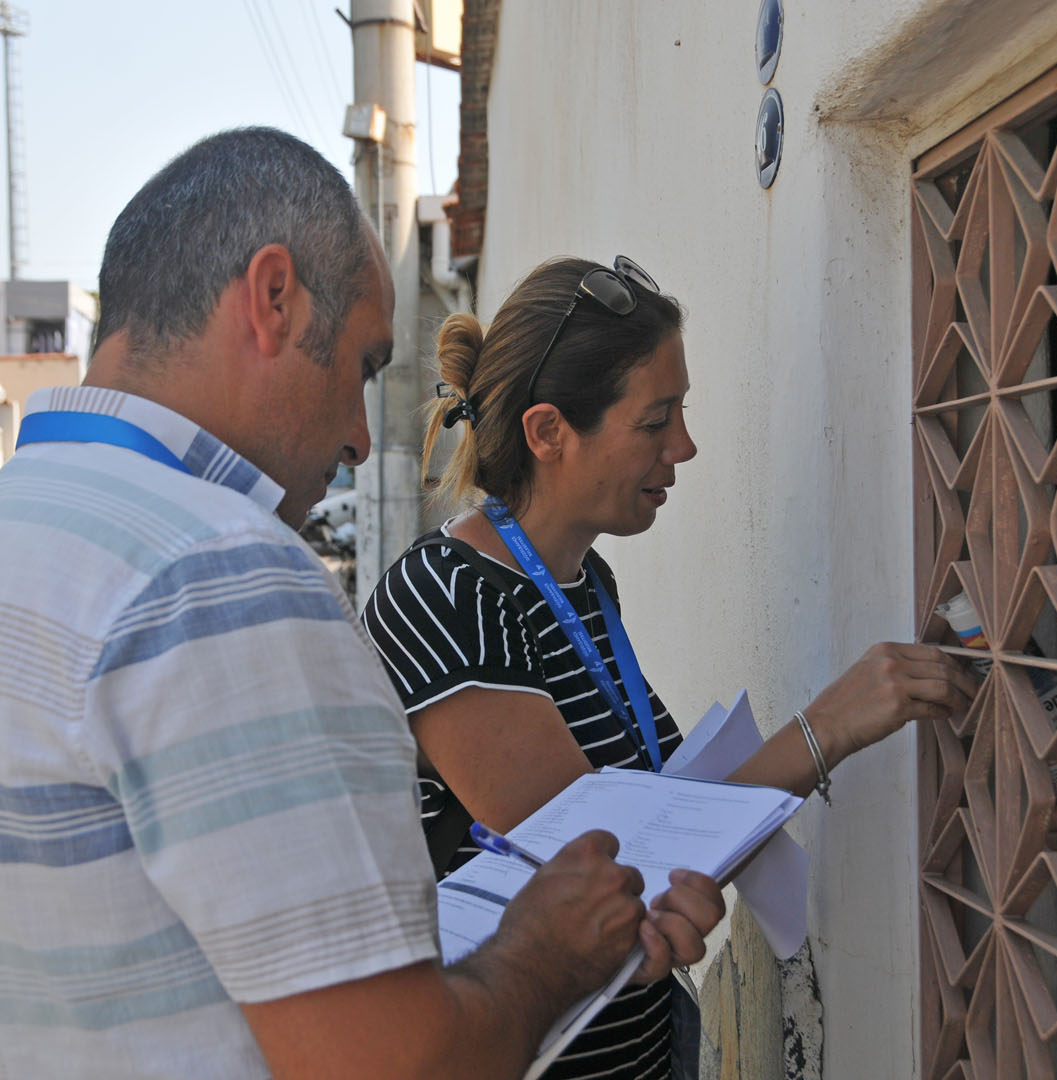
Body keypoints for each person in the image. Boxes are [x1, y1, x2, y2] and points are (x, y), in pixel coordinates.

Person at [0, 130, 726, 1080]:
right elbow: (391, 1066)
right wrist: (546, 949)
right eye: (364, 367)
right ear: (273, 298)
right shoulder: (218, 571)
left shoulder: (9, 535)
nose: (363, 440)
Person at [361, 255, 978, 1079]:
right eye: (656, 421)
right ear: (548, 432)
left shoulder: (584, 582)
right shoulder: (446, 597)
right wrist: (825, 730)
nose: (683, 448)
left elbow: (658, 816)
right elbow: (599, 872)